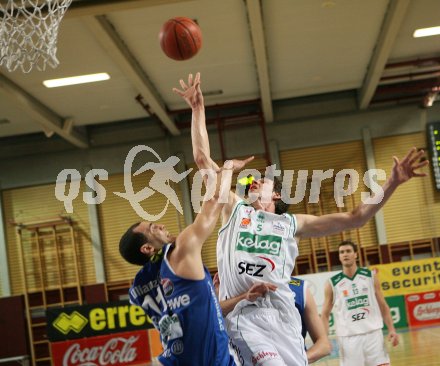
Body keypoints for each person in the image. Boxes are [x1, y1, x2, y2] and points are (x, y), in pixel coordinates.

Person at [174, 72, 428, 366]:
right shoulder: (234, 208)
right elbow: (204, 160)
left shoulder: (294, 224)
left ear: (278, 195)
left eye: (263, 181)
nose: (254, 182)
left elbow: (356, 217)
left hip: (284, 317)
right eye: (252, 181)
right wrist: (197, 109)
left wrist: (392, 182)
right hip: (245, 315)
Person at [119, 125, 252, 364]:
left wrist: (241, 297)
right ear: (147, 249)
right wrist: (229, 169)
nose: (159, 225)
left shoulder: (139, 286)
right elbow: (213, 204)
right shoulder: (180, 252)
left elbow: (201, 312)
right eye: (152, 228)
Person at [214, 274, 332, 364]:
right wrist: (243, 297)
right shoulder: (234, 280)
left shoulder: (300, 288)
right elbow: (214, 314)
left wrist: (293, 360)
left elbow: (324, 345)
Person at [320, 241, 399, 366]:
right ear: (339, 257)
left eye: (348, 251)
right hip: (348, 340)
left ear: (355, 254)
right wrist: (324, 339)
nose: (345, 254)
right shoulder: (332, 283)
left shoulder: (370, 276)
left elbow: (383, 306)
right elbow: (324, 314)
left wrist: (392, 329)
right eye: (342, 252)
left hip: (374, 336)